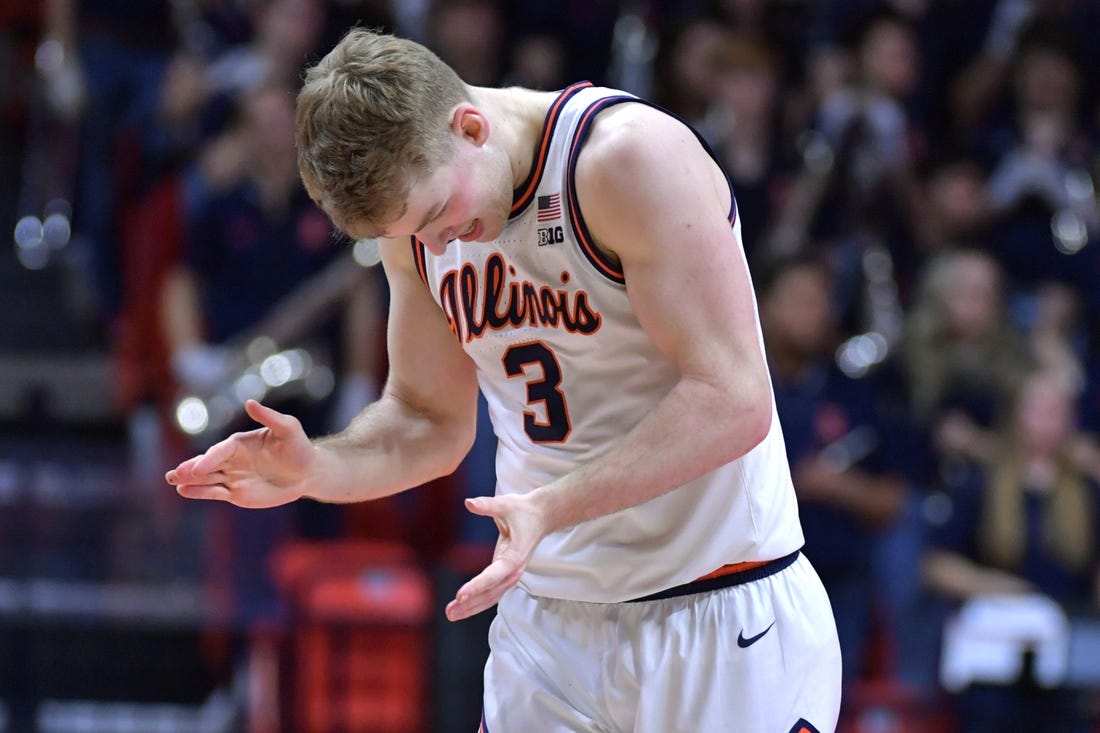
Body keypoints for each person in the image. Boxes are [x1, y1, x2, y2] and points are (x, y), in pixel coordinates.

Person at [166, 28, 841, 731]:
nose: (435, 246)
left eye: (435, 218)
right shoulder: (416, 226)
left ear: (470, 126)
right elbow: (428, 417)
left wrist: (553, 505)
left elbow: (733, 399)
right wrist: (318, 465)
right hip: (549, 624)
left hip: (719, 605)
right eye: (410, 235)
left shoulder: (625, 159)